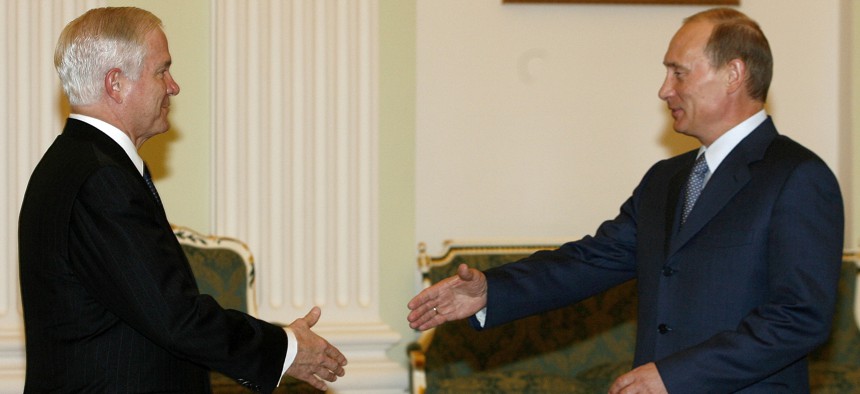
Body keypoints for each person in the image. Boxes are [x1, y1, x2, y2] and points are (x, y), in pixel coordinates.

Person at [407, 8, 844, 393]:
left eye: (679, 72)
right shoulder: (666, 180)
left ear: (733, 74)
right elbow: (592, 260)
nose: (664, 90)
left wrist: (676, 378)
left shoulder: (797, 176)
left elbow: (799, 317)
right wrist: (493, 292)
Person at [18, 7, 347, 393]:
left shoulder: (70, 163)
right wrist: (286, 349)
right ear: (116, 84)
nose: (173, 86)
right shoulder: (101, 179)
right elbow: (174, 316)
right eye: (162, 71)